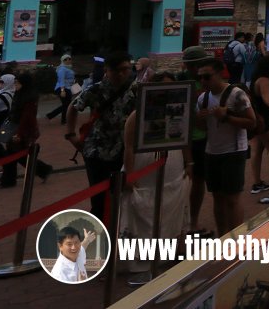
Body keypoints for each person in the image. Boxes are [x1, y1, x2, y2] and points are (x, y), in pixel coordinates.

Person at [122, 72, 191, 285]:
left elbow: (184, 139)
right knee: (141, 211)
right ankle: (141, 263)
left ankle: (164, 256)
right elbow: (129, 144)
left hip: (172, 164)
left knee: (170, 208)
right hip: (145, 166)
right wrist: (130, 173)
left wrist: (190, 163)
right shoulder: (138, 114)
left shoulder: (178, 109)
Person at [67, 54, 137, 219]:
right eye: (116, 70)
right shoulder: (96, 89)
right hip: (97, 150)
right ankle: (100, 232)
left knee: (124, 195)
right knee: (99, 197)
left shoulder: (137, 89)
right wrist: (71, 134)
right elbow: (74, 107)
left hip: (125, 150)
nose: (120, 74)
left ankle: (118, 232)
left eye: (125, 69)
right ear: (107, 70)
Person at [196, 59, 256, 235]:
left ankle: (235, 237)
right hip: (212, 151)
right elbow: (203, 128)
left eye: (207, 77)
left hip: (234, 151)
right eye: (200, 77)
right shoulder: (203, 98)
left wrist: (226, 117)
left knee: (232, 198)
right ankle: (222, 236)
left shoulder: (236, 94)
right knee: (217, 196)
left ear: (219, 74)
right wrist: (200, 119)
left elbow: (251, 122)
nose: (203, 81)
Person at [176, 46, 211, 234]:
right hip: (180, 139)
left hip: (201, 138)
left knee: (198, 181)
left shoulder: (207, 82)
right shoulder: (179, 81)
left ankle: (193, 221)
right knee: (178, 181)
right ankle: (179, 222)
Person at [0, 72, 53, 187]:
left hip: (22, 130)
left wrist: (19, 133)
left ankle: (42, 169)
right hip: (14, 126)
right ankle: (42, 170)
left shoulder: (29, 98)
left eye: (17, 83)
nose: (16, 85)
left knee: (15, 155)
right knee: (14, 155)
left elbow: (27, 117)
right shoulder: (19, 94)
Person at [249, 55, 269, 194]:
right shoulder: (263, 80)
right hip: (264, 119)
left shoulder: (258, 79)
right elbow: (266, 98)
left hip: (258, 118)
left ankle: (257, 182)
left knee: (257, 151)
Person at [47, 55, 76, 124]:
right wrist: (62, 91)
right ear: (62, 61)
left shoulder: (69, 68)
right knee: (67, 104)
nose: (68, 60)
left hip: (68, 88)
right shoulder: (62, 69)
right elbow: (61, 80)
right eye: (65, 59)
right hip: (62, 88)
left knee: (66, 104)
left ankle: (63, 120)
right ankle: (52, 115)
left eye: (69, 59)